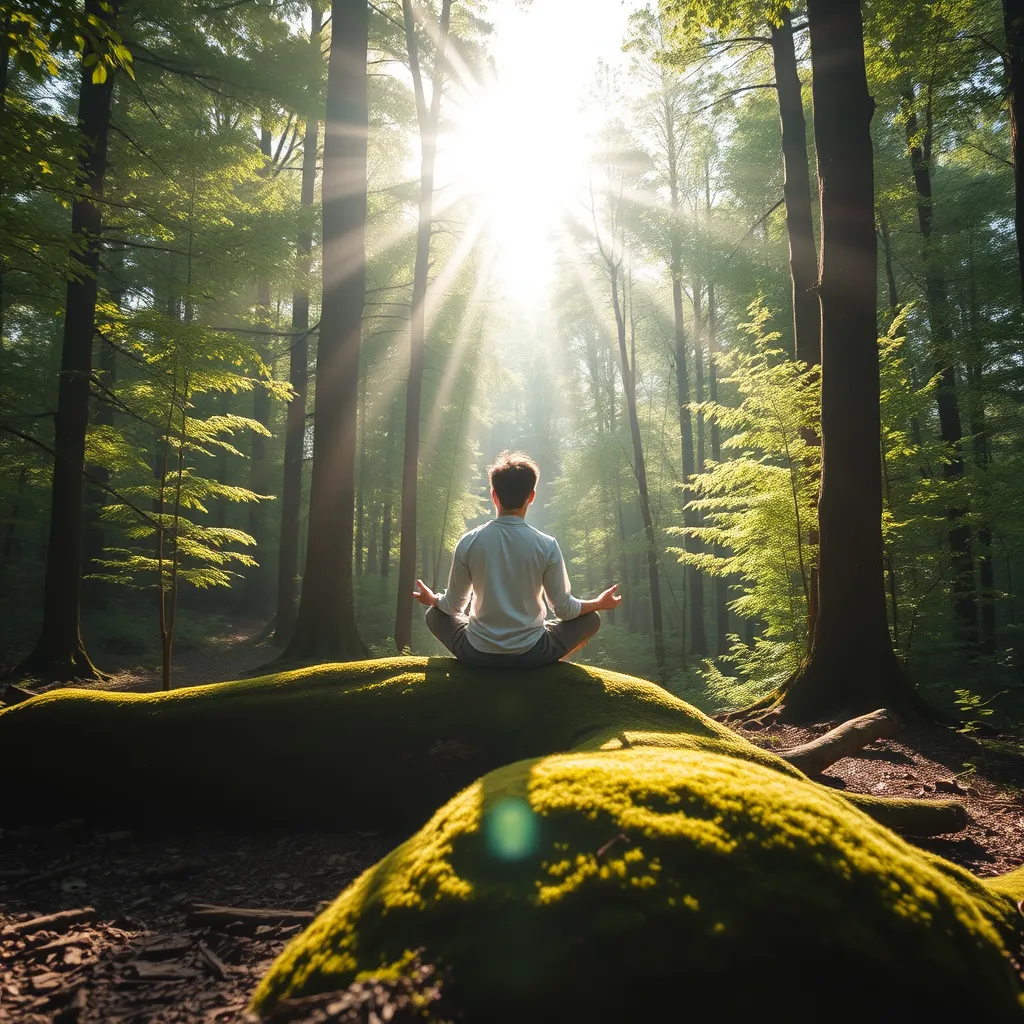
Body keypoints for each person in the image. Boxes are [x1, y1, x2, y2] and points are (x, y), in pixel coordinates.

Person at [413, 450, 622, 669]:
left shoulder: (469, 542)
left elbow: (453, 607)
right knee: (592, 619)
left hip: (476, 653)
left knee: (434, 615)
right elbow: (565, 610)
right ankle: (546, 667)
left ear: (494, 495)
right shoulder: (546, 545)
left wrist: (433, 599)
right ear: (531, 496)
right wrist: (600, 603)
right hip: (532, 654)